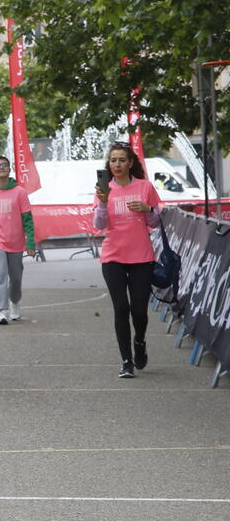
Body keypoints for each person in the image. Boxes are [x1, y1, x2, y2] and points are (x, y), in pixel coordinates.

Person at [93, 142, 161, 378]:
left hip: (142, 256)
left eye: (122, 160)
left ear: (131, 163)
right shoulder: (105, 190)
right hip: (113, 257)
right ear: (108, 164)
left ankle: (139, 341)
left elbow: (156, 223)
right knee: (121, 308)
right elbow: (100, 225)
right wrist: (103, 202)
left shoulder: (145, 187)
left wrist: (147, 209)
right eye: (113, 160)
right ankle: (126, 361)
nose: (117, 165)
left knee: (139, 311)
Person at [0, 156, 36, 325]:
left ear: (9, 169)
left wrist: (30, 243)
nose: (2, 167)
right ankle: (1, 311)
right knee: (0, 275)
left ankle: (15, 302)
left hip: (16, 241)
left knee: (16, 277)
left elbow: (27, 219)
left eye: (5, 165)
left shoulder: (20, 192)